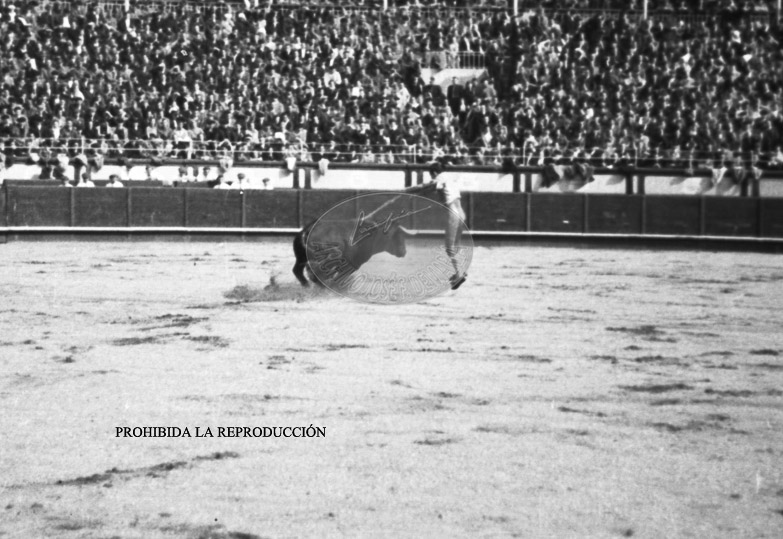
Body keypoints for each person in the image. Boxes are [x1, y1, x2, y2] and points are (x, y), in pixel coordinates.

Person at [408, 161, 467, 290]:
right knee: (455, 245)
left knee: (449, 247)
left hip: (453, 214)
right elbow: (431, 189)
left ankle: (459, 273)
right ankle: (460, 270)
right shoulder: (450, 177)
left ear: (434, 172)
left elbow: (429, 186)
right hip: (461, 214)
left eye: (431, 175)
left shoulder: (439, 178)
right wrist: (417, 194)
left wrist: (409, 191)